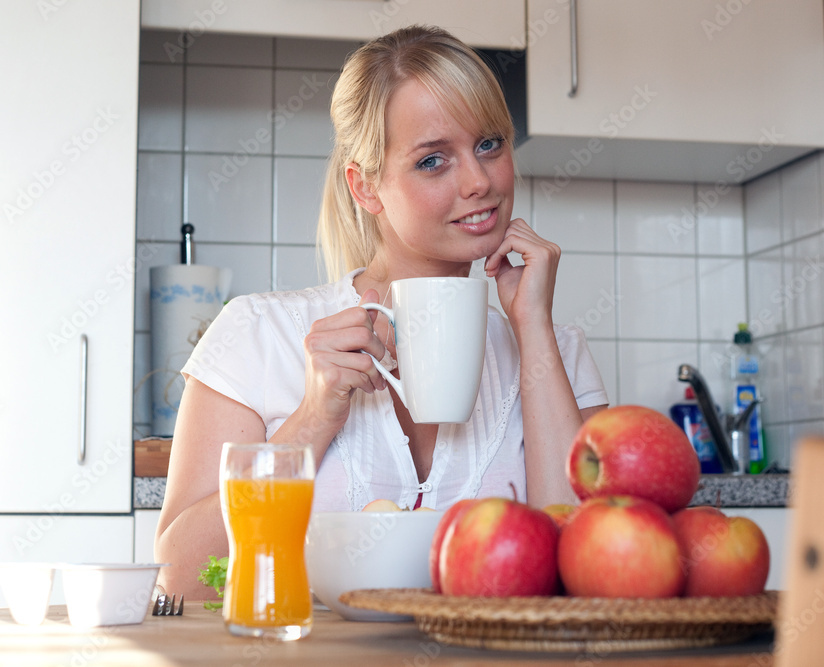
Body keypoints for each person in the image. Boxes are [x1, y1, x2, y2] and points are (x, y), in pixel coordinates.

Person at [155, 25, 609, 599]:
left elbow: (589, 576)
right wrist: (313, 418)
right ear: (366, 188)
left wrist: (533, 329)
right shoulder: (257, 335)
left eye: (489, 144)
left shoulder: (558, 352)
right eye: (433, 160)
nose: (479, 181)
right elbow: (182, 579)